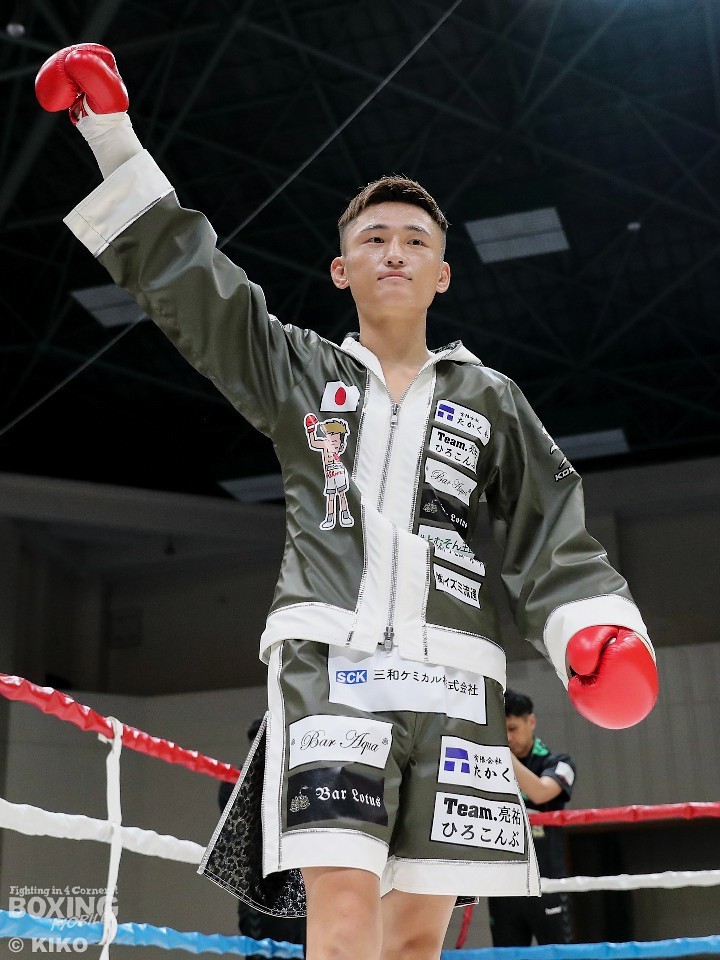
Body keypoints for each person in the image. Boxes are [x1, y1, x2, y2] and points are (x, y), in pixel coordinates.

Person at [36, 43, 660, 960]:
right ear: (341, 270)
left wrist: (592, 630)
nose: (394, 251)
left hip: (456, 677)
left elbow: (547, 523)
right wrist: (111, 135)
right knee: (337, 923)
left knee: (416, 941)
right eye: (373, 239)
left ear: (443, 274)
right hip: (331, 667)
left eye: (415, 241)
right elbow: (201, 294)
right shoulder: (298, 370)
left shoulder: (491, 397)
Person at [488, 690, 576, 946]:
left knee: (560, 956)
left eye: (512, 728)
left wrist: (502, 756)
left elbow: (540, 792)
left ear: (531, 721)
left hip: (546, 884)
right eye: (501, 731)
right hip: (502, 886)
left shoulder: (559, 763)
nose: (507, 737)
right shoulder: (486, 768)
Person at [218, 719, 307, 954]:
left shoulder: (293, 779)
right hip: (261, 888)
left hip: (295, 886)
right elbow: (241, 833)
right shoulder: (234, 781)